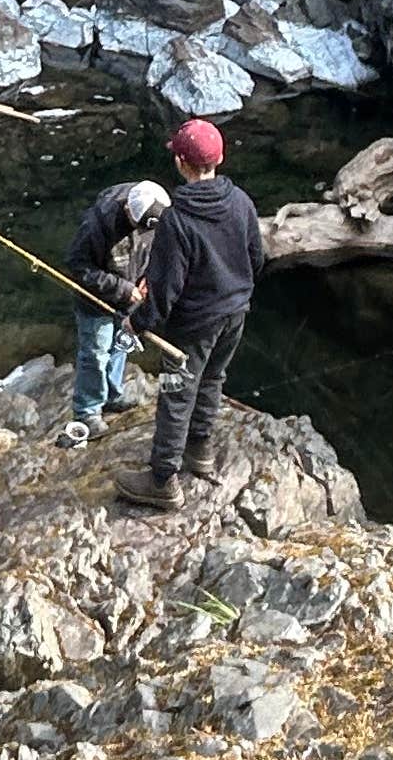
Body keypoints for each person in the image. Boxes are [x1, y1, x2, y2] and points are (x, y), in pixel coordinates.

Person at [122, 117, 263, 513]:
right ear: (220, 159)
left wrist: (138, 322)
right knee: (213, 379)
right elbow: (257, 257)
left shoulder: (177, 220)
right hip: (235, 314)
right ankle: (200, 451)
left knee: (175, 393)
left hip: (191, 328)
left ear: (181, 163)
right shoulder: (241, 202)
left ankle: (162, 480)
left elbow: (165, 289)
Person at [61, 176, 168, 438]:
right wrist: (123, 289)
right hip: (95, 302)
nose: (143, 232)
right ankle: (87, 411)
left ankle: (112, 394)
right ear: (129, 210)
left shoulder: (158, 216)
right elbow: (77, 266)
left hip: (129, 300)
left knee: (120, 346)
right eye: (138, 226)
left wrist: (148, 280)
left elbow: (159, 252)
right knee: (95, 354)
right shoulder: (96, 225)